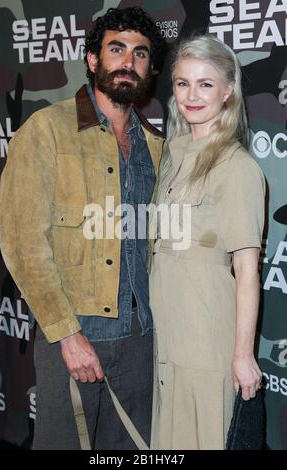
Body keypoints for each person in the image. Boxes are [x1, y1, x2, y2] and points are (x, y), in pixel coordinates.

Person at [0, 6, 164, 450]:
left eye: (140, 54)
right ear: (93, 60)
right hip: (73, 336)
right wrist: (68, 336)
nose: (128, 62)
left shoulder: (157, 147)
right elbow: (22, 242)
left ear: (150, 69)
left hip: (142, 341)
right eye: (116, 49)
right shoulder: (46, 131)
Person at [149, 35, 265, 450]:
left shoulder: (238, 167)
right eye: (182, 83)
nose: (192, 96)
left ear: (228, 90)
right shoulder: (170, 154)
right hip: (165, 331)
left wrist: (243, 354)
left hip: (207, 333)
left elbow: (247, 270)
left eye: (205, 84)